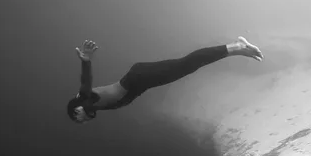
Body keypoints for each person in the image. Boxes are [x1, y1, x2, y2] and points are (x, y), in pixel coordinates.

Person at [67, 37, 264, 123]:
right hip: (141, 80)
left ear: (77, 110)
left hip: (139, 77)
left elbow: (86, 81)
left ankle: (236, 47)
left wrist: (86, 61)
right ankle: (236, 50)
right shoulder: (91, 105)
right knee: (186, 66)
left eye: (78, 119)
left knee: (186, 64)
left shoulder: (86, 98)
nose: (83, 122)